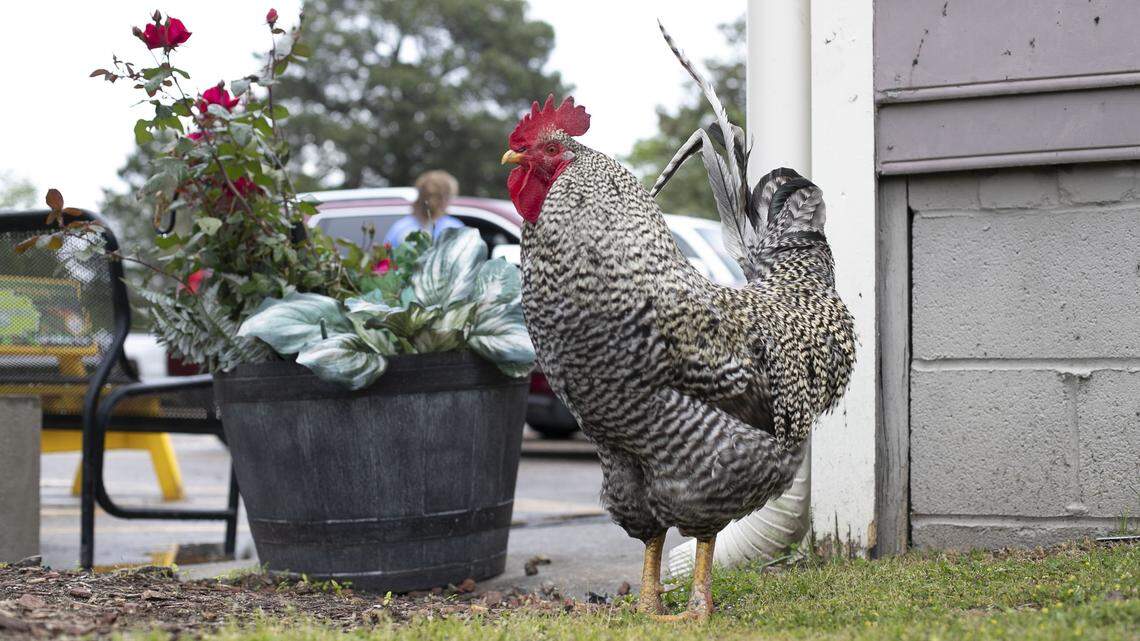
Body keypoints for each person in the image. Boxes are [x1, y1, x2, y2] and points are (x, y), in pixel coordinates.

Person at [383, 170, 465, 246]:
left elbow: (386, 258)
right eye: (450, 197)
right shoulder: (453, 228)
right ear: (443, 199)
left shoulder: (400, 227)